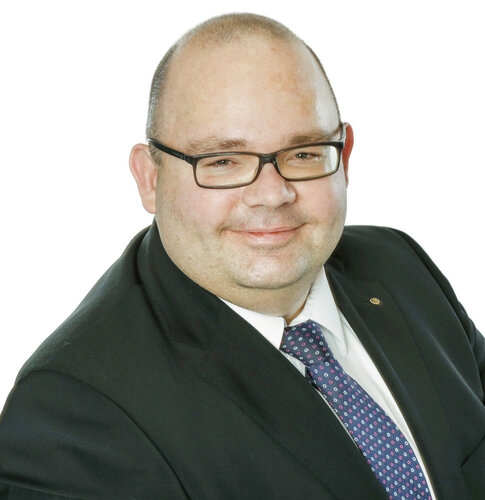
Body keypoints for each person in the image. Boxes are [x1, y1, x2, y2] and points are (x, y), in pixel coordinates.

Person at [0, 12, 483, 500]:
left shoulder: (401, 267)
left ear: (344, 156)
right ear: (150, 179)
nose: (272, 194)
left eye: (303, 153)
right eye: (223, 161)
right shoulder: (71, 413)